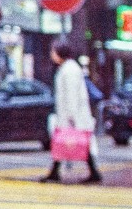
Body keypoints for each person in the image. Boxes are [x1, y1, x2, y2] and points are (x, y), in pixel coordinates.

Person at [40, 38, 103, 184]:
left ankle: (57, 172)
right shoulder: (68, 68)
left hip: (72, 116)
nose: (51, 54)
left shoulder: (69, 70)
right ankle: (57, 172)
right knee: (69, 143)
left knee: (68, 142)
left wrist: (71, 116)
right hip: (71, 115)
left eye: (53, 51)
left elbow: (71, 94)